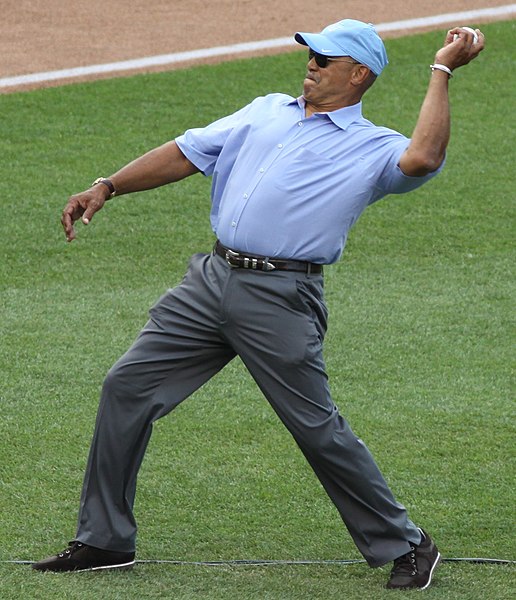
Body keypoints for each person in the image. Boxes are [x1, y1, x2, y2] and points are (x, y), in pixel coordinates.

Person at [32, 19, 484, 590]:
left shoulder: (374, 147)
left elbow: (422, 157)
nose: (311, 64)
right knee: (127, 387)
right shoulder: (267, 109)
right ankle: (103, 540)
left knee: (316, 428)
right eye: (311, 54)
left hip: (281, 297)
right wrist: (108, 186)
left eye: (325, 58)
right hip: (210, 281)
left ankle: (408, 543)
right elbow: (187, 151)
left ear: (359, 73)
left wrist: (441, 70)